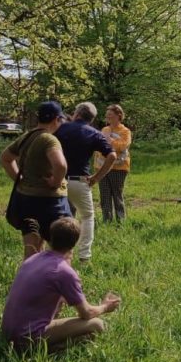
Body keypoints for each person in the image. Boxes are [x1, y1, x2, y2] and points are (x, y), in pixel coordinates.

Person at [1, 217, 121, 352]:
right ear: (75, 243)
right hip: (26, 340)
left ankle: (43, 345)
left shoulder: (34, 258)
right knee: (97, 325)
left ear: (50, 237)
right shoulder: (63, 271)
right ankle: (50, 350)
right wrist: (105, 307)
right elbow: (87, 313)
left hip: (7, 334)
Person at [1, 101, 72, 259]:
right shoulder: (49, 139)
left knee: (32, 252)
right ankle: (61, 282)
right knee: (63, 251)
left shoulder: (27, 136)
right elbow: (60, 165)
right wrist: (55, 181)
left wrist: (19, 180)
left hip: (26, 201)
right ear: (56, 119)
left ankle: (30, 281)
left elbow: (5, 158)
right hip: (51, 203)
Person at [55, 102, 116, 262]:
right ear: (91, 118)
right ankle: (84, 257)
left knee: (61, 218)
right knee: (87, 216)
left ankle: (58, 255)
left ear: (77, 113)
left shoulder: (60, 129)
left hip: (58, 180)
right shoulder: (94, 133)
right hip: (80, 181)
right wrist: (97, 177)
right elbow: (112, 156)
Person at [98, 104, 131, 224]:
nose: (108, 118)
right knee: (105, 196)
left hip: (119, 167)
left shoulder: (125, 131)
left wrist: (109, 141)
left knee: (117, 195)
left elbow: (123, 146)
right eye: (107, 116)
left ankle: (121, 222)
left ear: (119, 116)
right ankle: (107, 221)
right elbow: (99, 147)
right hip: (103, 168)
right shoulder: (104, 130)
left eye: (110, 116)